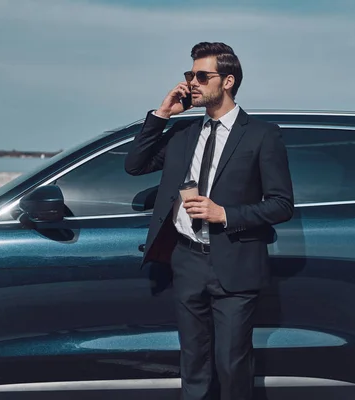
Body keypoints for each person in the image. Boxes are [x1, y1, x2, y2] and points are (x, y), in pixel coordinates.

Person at [124, 42, 294, 400]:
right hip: (187, 261)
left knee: (232, 364)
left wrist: (225, 214)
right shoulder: (184, 136)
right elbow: (135, 165)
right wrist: (162, 113)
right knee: (194, 366)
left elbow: (281, 205)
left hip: (235, 262)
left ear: (228, 81)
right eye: (190, 75)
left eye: (202, 75)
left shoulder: (262, 135)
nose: (193, 83)